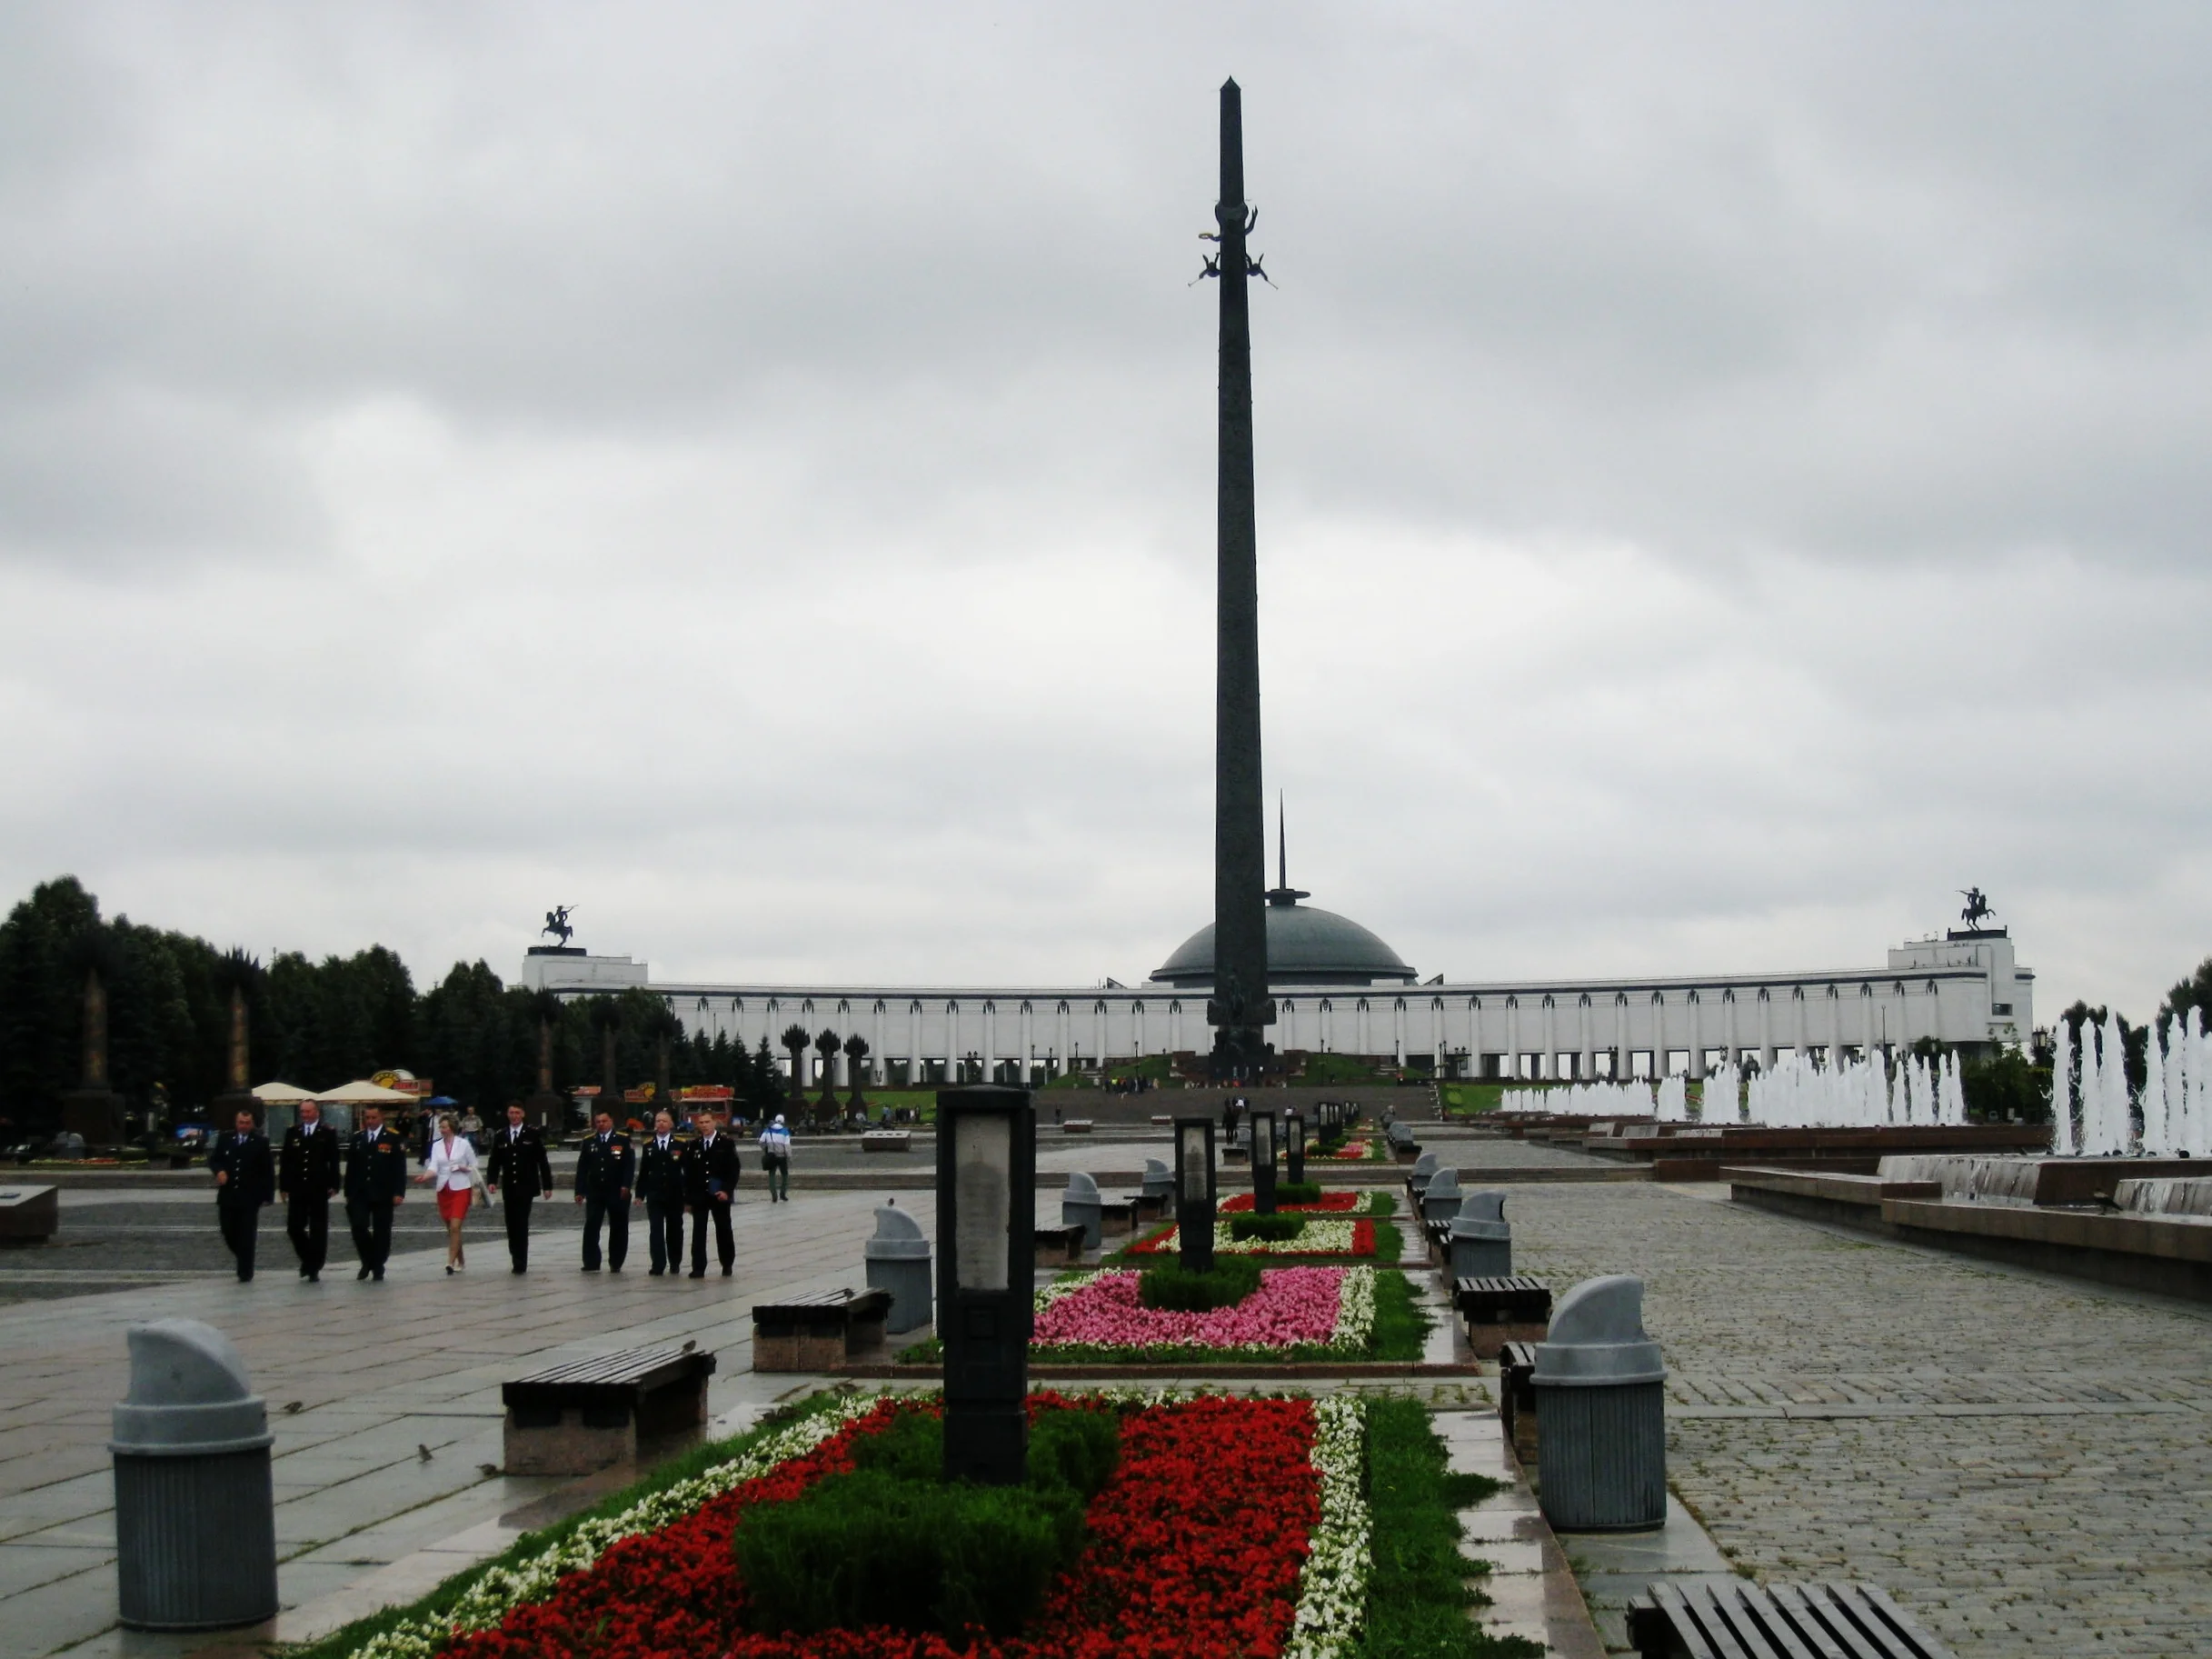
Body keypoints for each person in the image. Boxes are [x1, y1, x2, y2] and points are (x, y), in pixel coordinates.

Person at [277, 1099, 343, 1282]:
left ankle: (314, 1266)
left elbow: (334, 1160)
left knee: (318, 1229)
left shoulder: (327, 1133)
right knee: (294, 1227)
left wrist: (335, 1184)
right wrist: (283, 1186)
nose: (304, 1115)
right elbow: (286, 1161)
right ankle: (309, 1258)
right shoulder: (293, 1132)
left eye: (308, 1112)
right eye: (302, 1112)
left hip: (318, 1187)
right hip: (297, 1187)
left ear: (316, 1112)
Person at [485, 1103, 553, 1274]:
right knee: (511, 1223)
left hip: (526, 1186)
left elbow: (542, 1162)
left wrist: (547, 1186)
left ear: (522, 1114)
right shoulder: (501, 1135)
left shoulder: (532, 1134)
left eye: (517, 1113)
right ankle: (514, 1253)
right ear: (507, 1115)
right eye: (511, 1113)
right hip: (509, 1186)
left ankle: (520, 1261)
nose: (514, 1116)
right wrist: (491, 1181)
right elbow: (494, 1161)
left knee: (521, 1223)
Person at [207, 1108, 274, 1282]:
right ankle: (244, 1257)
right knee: (228, 1230)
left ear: (251, 1124)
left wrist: (268, 1195)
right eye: (240, 1123)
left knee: (247, 1234)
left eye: (247, 1123)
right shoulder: (225, 1139)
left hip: (249, 1196)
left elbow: (267, 1170)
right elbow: (215, 1159)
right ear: (235, 1123)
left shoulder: (260, 1142)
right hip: (228, 1195)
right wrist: (219, 1171)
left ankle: (245, 1270)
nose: (243, 1126)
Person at [344, 1104, 409, 1281]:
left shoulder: (393, 1138)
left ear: (381, 1118)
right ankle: (367, 1260)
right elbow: (351, 1168)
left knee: (382, 1231)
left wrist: (399, 1192)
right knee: (358, 1226)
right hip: (360, 1192)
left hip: (383, 1192)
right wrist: (348, 1192)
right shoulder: (357, 1138)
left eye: (373, 1118)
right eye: (367, 1118)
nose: (370, 1121)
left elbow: (399, 1168)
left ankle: (378, 1264)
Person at [414, 1114, 480, 1274]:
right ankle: (461, 1260)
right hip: (444, 1190)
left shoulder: (463, 1144)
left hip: (461, 1188)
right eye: (440, 1127)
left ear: (451, 1127)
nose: (441, 1130)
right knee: (451, 1229)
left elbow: (474, 1165)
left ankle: (450, 1261)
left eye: (444, 1127)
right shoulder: (436, 1146)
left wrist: (464, 1168)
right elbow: (434, 1167)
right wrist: (425, 1177)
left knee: (456, 1225)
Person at [573, 1108, 634, 1272]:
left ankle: (616, 1261)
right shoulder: (589, 1141)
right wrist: (579, 1191)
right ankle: (591, 1261)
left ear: (611, 1122)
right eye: (598, 1122)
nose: (601, 1124)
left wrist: (626, 1186)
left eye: (604, 1121)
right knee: (592, 1225)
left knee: (618, 1227)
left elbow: (629, 1165)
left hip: (617, 1190)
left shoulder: (622, 1140)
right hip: (595, 1190)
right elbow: (582, 1168)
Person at [684, 1107, 740, 1278]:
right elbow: (689, 1173)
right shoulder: (694, 1145)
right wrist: (688, 1199)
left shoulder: (726, 1143)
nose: (704, 1125)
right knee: (698, 1231)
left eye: (707, 1122)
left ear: (715, 1122)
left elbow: (733, 1170)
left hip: (719, 1194)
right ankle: (698, 1266)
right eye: (701, 1122)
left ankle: (727, 1263)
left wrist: (727, 1191)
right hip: (700, 1195)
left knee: (723, 1229)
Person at [636, 1108, 688, 1275]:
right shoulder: (648, 1145)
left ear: (671, 1124)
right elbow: (644, 1171)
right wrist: (639, 1194)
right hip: (655, 1193)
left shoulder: (680, 1144)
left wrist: (688, 1195)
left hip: (675, 1194)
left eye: (664, 1121)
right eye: (658, 1121)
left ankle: (674, 1261)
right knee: (656, 1229)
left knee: (674, 1229)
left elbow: (687, 1171)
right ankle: (658, 1263)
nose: (661, 1124)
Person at [756, 1114, 792, 1204]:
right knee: (785, 1175)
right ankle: (783, 1194)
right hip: (782, 1157)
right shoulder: (785, 1131)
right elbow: (787, 1146)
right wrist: (789, 1156)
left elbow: (761, 1141)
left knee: (772, 1175)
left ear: (775, 1120)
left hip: (771, 1156)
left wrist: (766, 1149)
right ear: (783, 1122)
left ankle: (774, 1196)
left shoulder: (768, 1130)